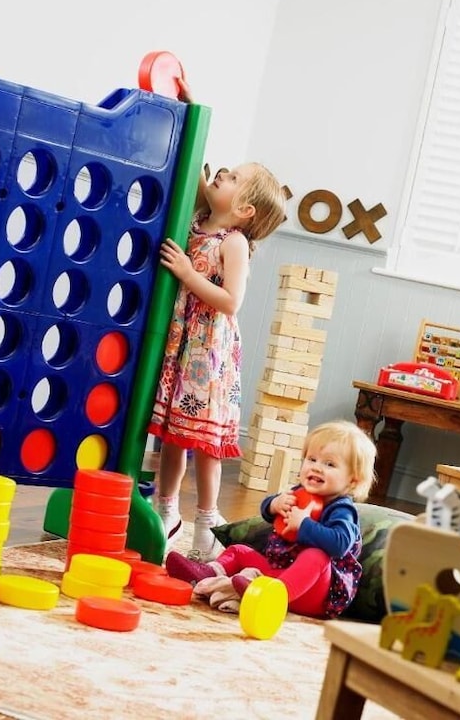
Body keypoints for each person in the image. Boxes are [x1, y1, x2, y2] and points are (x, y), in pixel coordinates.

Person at [149, 79, 287, 561]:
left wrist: (188, 274)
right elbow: (196, 164)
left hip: (208, 354)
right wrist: (190, 109)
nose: (221, 175)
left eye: (231, 178)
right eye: (223, 172)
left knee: (204, 443)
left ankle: (208, 521)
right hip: (180, 344)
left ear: (244, 209)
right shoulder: (199, 217)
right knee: (173, 438)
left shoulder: (234, 242)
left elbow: (230, 302)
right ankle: (165, 510)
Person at [165, 420, 377, 619]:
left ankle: (269, 597)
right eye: (312, 459)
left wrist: (304, 525)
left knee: (316, 555)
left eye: (330, 464)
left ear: (352, 480)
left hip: (314, 594)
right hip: (278, 573)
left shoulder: (341, 509)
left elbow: (340, 544)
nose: (317, 467)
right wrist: (274, 504)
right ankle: (207, 574)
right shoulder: (300, 493)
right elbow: (268, 514)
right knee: (239, 550)